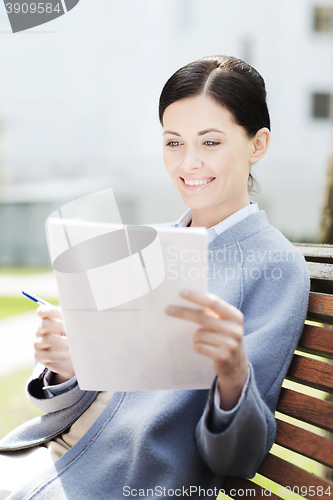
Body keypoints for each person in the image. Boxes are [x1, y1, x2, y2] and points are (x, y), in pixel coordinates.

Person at [0, 55, 310, 499]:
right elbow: (87, 396)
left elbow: (235, 459)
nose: (188, 163)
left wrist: (233, 376)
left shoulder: (272, 268)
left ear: (257, 145)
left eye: (210, 142)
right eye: (173, 142)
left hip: (127, 480)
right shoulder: (152, 243)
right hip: (58, 451)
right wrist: (68, 367)